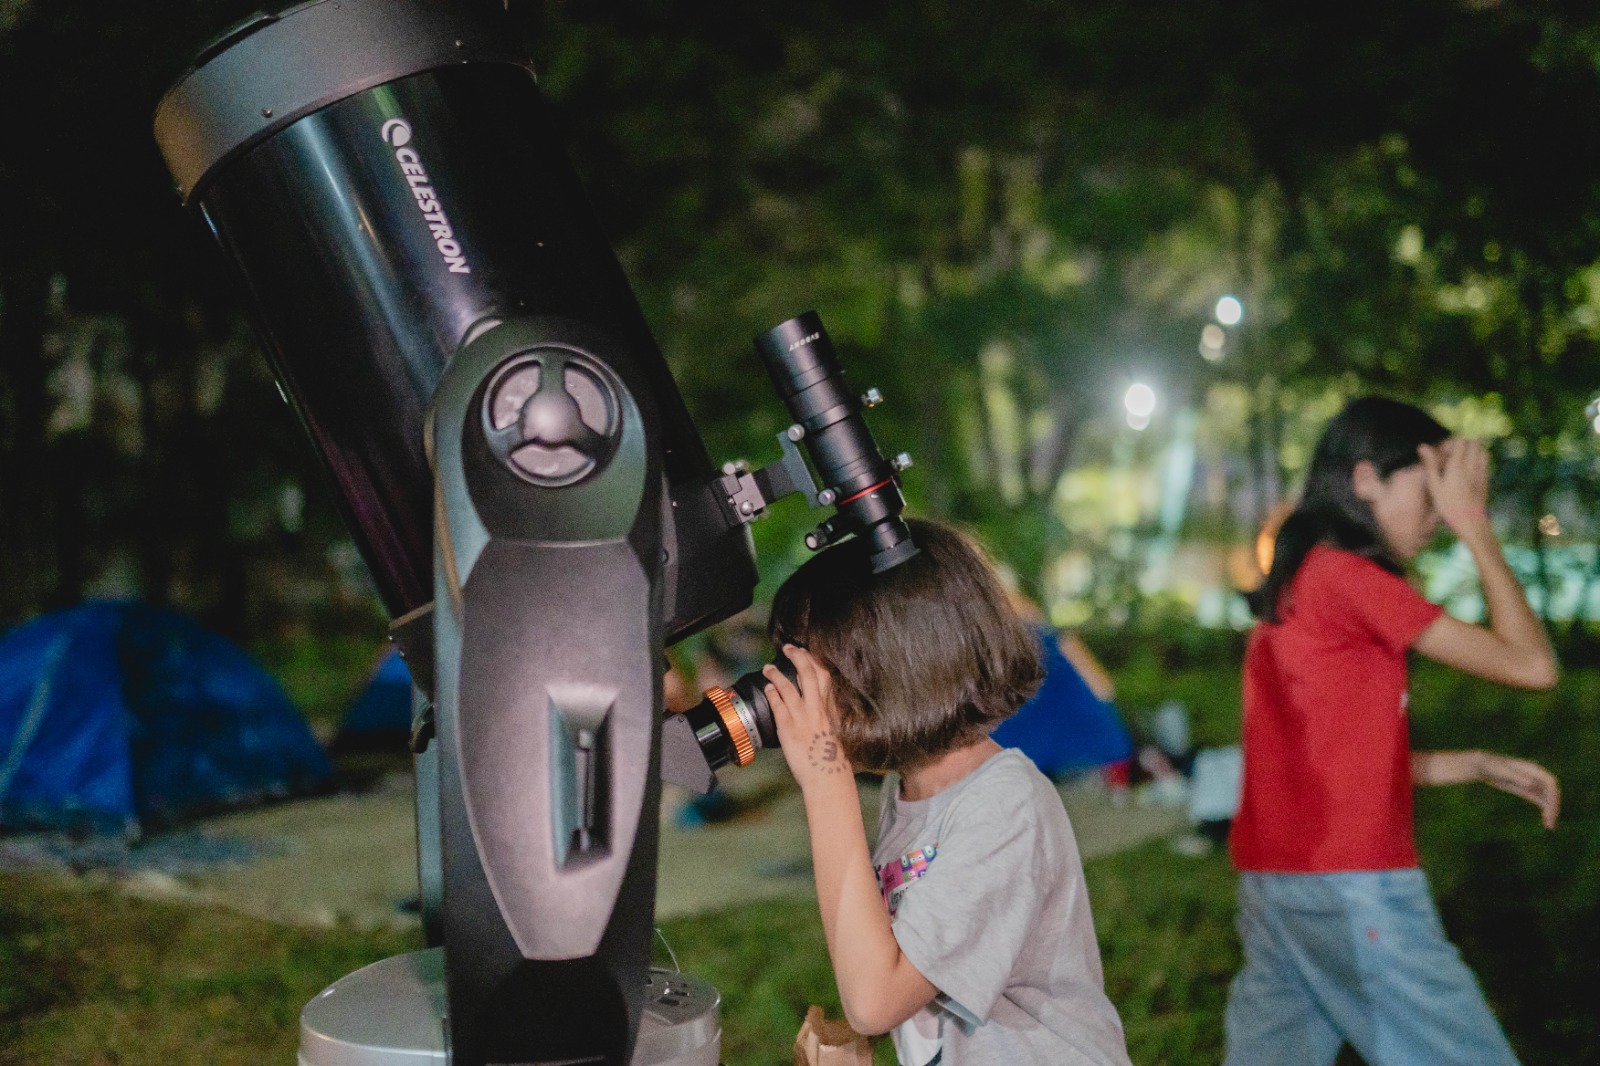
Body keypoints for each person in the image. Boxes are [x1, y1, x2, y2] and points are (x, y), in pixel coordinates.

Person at [1224, 397, 1561, 1066]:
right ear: (1366, 478)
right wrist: (1476, 527)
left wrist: (1472, 763)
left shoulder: (1300, 579)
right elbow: (1534, 666)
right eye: (1429, 490)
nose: (1438, 514)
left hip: (1276, 889)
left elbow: (1328, 761)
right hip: (1353, 887)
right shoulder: (1351, 579)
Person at [759, 517, 1133, 1066]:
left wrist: (825, 780)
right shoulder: (909, 793)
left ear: (894, 671)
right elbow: (896, 974)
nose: (807, 701)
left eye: (819, 675)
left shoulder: (1006, 806)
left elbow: (874, 1000)